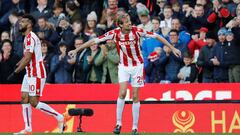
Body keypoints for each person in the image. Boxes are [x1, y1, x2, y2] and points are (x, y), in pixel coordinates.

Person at [68, 13, 181, 135]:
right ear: (120, 25)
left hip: (137, 66)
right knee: (122, 93)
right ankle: (118, 123)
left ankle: (135, 127)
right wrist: (76, 50)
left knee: (135, 96)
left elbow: (157, 37)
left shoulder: (137, 31)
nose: (129, 23)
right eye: (127, 22)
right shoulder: (114, 33)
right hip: (124, 66)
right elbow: (94, 40)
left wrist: (172, 48)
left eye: (129, 21)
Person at [7, 14, 65, 135]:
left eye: (23, 22)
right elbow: (27, 56)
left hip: (36, 73)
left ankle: (59, 117)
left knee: (34, 102)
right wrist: (18, 64)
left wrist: (15, 72)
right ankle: (28, 129)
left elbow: (28, 58)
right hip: (29, 73)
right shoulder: (27, 37)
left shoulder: (30, 37)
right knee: (24, 98)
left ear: (29, 25)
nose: (20, 23)